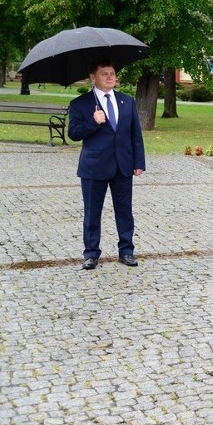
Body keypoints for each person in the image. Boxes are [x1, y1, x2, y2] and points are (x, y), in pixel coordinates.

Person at [68, 61, 146, 270]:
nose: (111, 77)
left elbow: (135, 135)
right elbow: (73, 134)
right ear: (93, 78)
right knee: (92, 212)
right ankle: (91, 254)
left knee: (124, 211)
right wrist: (93, 121)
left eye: (112, 73)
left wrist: (139, 162)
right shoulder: (80, 104)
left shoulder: (126, 102)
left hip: (123, 166)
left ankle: (126, 250)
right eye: (105, 74)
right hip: (94, 167)